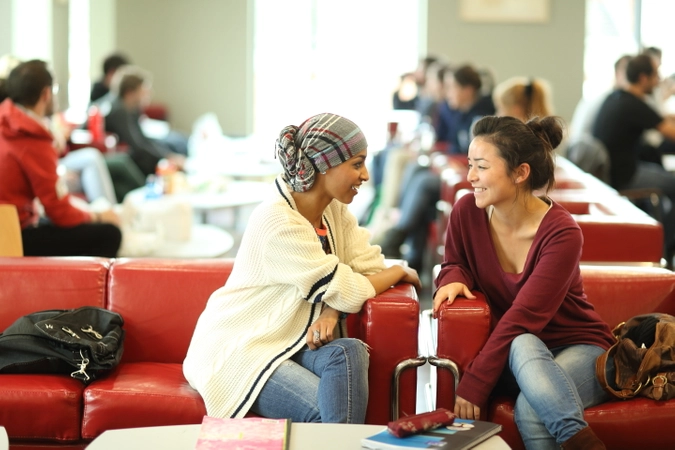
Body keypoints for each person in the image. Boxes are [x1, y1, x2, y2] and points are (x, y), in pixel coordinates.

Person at [183, 113, 420, 422]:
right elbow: (347, 286)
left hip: (287, 341)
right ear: (324, 165)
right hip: (242, 349)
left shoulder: (333, 210)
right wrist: (399, 271)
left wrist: (331, 311)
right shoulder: (277, 221)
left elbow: (365, 266)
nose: (365, 176)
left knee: (349, 352)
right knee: (328, 416)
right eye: (357, 164)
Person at [434, 115, 614, 450]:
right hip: (516, 351)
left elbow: (523, 317)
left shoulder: (562, 232)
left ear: (520, 173)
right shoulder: (466, 212)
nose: (470, 176)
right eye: (470, 164)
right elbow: (454, 261)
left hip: (578, 345)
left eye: (482, 167)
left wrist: (474, 381)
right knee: (522, 343)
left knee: (531, 409)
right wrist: (454, 276)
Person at [377, 64, 495, 271]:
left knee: (423, 183)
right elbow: (451, 143)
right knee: (416, 174)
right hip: (455, 170)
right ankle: (410, 252)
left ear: (467, 90)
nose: (447, 93)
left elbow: (476, 153)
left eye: (452, 87)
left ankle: (397, 236)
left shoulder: (483, 115)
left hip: (467, 176)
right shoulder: (457, 111)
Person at [0, 60, 121, 257]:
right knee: (110, 233)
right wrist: (98, 216)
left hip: (9, 225)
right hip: (13, 236)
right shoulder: (32, 138)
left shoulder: (7, 119)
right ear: (46, 94)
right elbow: (60, 213)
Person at [592, 52, 675, 255]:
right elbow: (670, 132)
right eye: (656, 75)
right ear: (643, 78)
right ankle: (664, 248)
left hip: (611, 172)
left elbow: (660, 120)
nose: (659, 81)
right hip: (626, 176)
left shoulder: (615, 97)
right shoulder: (634, 104)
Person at [103, 65, 186, 178]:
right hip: (116, 157)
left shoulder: (132, 109)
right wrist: (167, 158)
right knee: (147, 159)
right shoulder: (119, 111)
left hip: (128, 152)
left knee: (172, 143)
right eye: (144, 90)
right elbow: (137, 146)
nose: (149, 93)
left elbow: (143, 138)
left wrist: (168, 155)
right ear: (130, 92)